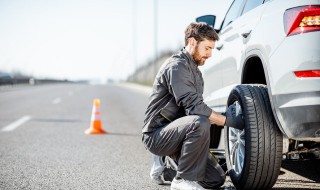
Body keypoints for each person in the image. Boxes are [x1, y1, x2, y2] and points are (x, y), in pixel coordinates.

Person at [142, 22, 244, 190]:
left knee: (215, 179)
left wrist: (223, 116)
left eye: (212, 49)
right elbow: (195, 109)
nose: (210, 54)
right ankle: (182, 180)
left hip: (177, 132)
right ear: (192, 42)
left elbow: (194, 110)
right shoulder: (177, 67)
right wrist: (227, 120)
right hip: (156, 134)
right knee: (200, 123)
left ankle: (166, 168)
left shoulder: (195, 71)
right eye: (207, 48)